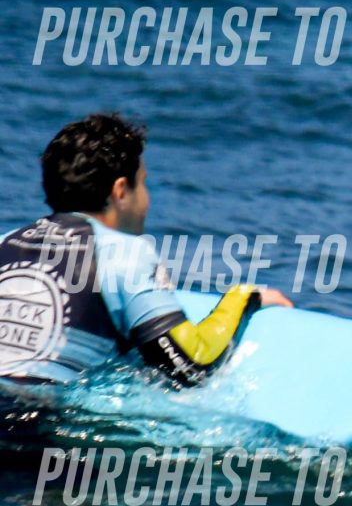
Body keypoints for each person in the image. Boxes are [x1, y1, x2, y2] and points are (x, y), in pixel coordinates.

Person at [0, 114, 292, 391]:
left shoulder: (6, 241)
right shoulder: (124, 253)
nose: (147, 199)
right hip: (33, 415)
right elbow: (190, 367)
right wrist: (244, 297)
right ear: (121, 191)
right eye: (143, 182)